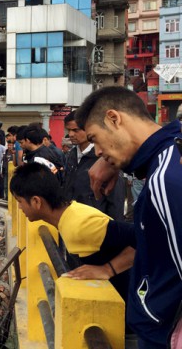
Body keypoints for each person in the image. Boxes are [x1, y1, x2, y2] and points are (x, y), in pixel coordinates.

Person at [76, 86, 182, 348]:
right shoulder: (165, 157)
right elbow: (154, 239)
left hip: (166, 333)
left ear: (114, 118)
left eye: (96, 138)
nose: (97, 152)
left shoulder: (165, 181)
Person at [9, 162, 135, 301]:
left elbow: (145, 237)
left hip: (134, 300)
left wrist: (107, 269)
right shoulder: (67, 216)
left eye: (19, 201)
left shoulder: (81, 224)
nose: (20, 207)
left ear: (36, 202)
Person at [63, 110, 126, 221]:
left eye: (75, 130)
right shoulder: (70, 156)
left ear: (89, 129)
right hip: (72, 222)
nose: (71, 134)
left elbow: (115, 200)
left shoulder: (105, 158)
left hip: (96, 224)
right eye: (68, 130)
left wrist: (114, 231)